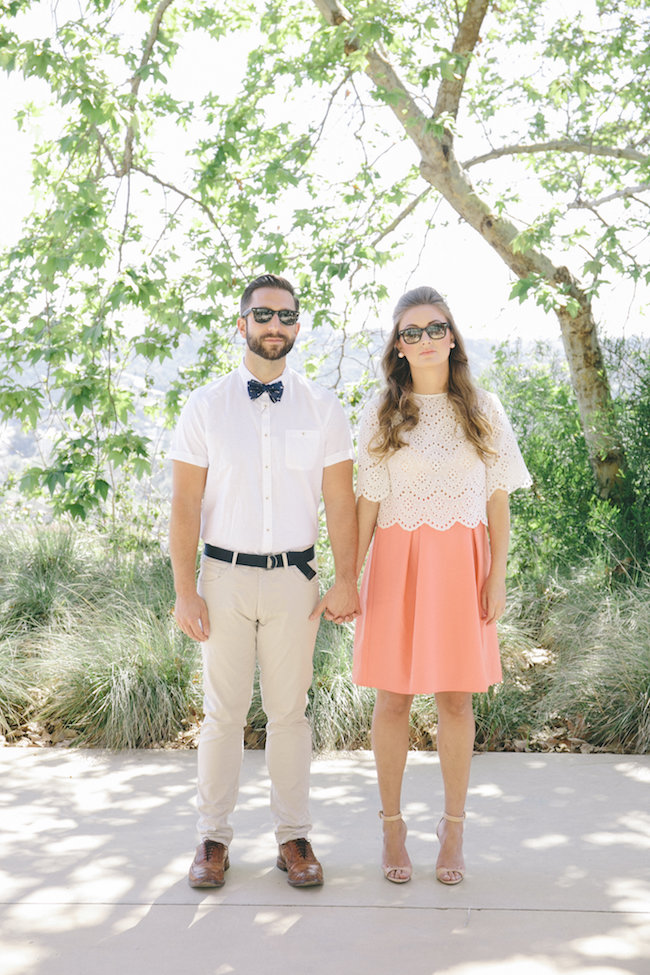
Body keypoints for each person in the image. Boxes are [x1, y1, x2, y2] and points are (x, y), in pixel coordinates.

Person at [169, 273, 359, 889]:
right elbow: (184, 507)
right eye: (263, 315)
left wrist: (345, 579)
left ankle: (293, 838)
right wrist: (185, 589)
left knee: (289, 713)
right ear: (243, 323)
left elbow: (340, 504)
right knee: (222, 714)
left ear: (297, 327)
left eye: (285, 316)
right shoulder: (205, 406)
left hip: (295, 581)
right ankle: (212, 839)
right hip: (222, 577)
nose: (274, 326)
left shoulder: (323, 407)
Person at [353, 285, 531, 886]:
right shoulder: (380, 414)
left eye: (435, 328)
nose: (425, 340)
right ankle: (391, 825)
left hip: (463, 565)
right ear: (398, 347)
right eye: (411, 332)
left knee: (456, 699)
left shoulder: (484, 408)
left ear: (451, 337)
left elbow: (498, 503)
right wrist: (347, 578)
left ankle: (453, 827)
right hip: (397, 564)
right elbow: (366, 508)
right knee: (393, 699)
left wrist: (497, 574)